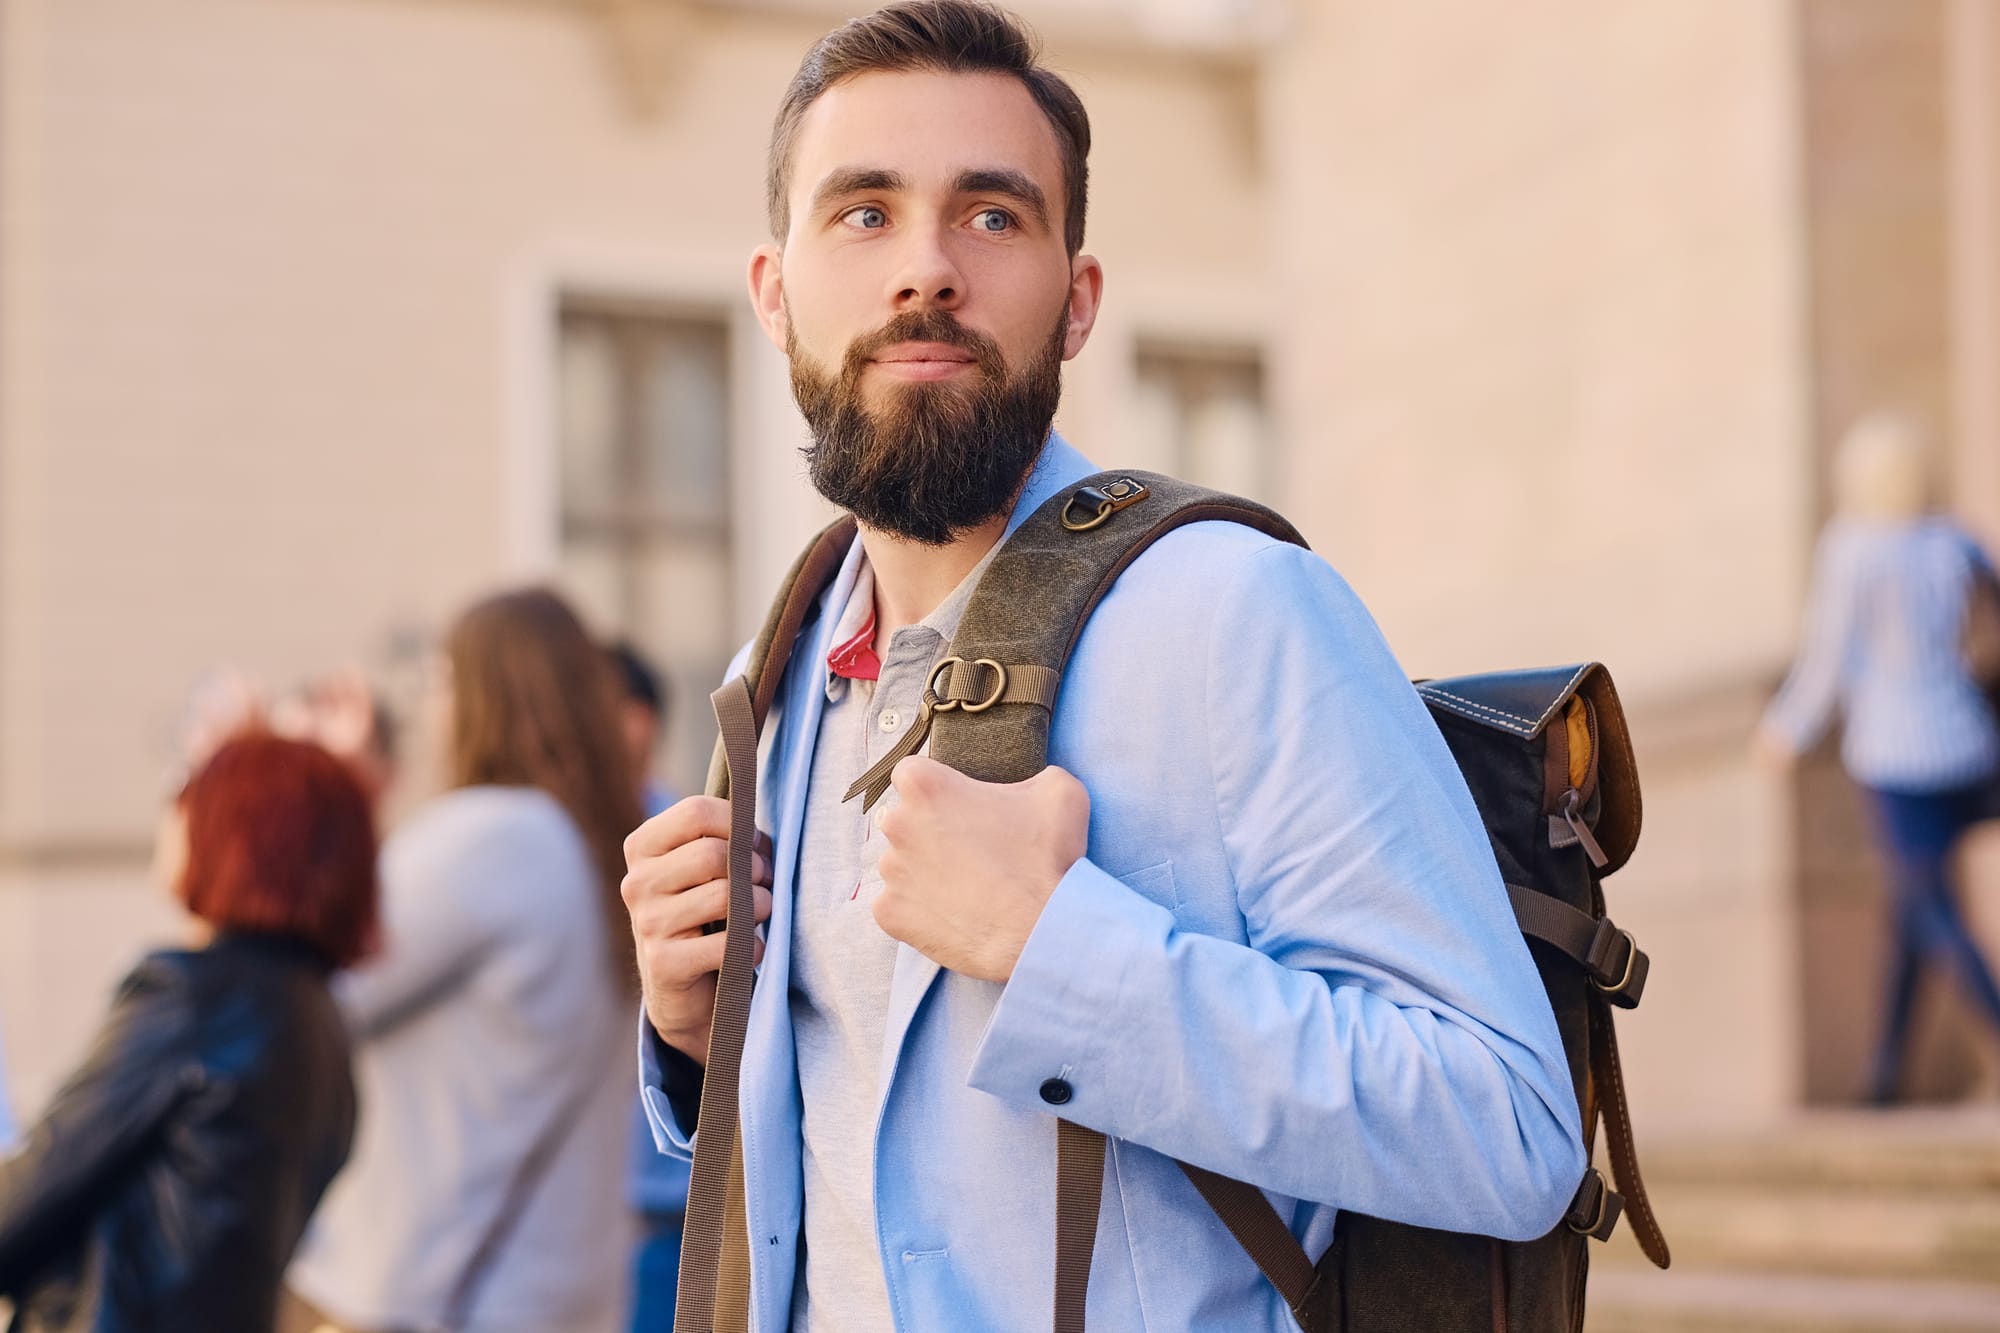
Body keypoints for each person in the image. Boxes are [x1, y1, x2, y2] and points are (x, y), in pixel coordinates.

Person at [620, 4, 1586, 1328]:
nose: (927, 271)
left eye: (992, 216)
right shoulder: (772, 676)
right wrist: (693, 1037)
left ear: (1076, 304)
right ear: (774, 293)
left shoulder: (1237, 612)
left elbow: (1508, 1124)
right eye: (863, 213)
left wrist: (1062, 951)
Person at [285, 589, 643, 1333]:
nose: (429, 709)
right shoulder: (595, 838)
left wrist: (325, 798)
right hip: (564, 1290)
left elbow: (299, 982)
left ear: (487, 694)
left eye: (442, 680)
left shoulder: (490, 838)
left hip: (433, 1294)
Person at [0, 734, 377, 1332]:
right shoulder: (321, 1024)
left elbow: (34, 1188)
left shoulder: (193, 997)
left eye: (189, 799)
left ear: (241, 836)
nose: (170, 817)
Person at [1758, 411, 2000, 1102]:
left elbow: (1828, 660)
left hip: (1897, 756)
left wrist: (1786, 731)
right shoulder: (1957, 540)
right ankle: (1885, 1073)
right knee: (1911, 906)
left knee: (1931, 908)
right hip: (1969, 745)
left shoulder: (1854, 548)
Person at [604, 641, 690, 1333]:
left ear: (636, 723)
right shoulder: (572, 833)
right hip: (612, 1202)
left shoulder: (678, 834)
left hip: (666, 1197)